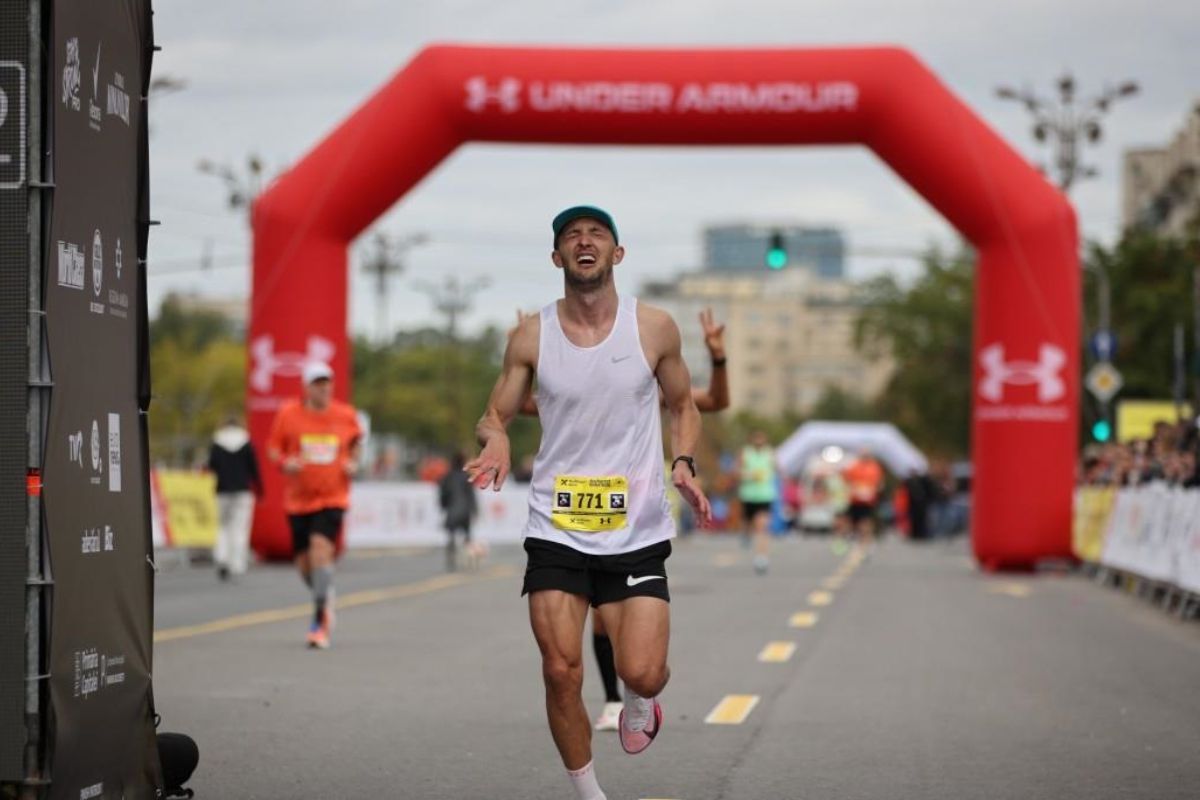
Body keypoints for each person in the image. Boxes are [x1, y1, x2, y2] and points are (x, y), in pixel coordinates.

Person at [467, 205, 712, 800]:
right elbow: (494, 414)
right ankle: (589, 793)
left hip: (636, 526)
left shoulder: (653, 328)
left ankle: (638, 698)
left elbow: (683, 406)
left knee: (643, 671)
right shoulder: (533, 336)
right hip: (557, 525)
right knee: (560, 670)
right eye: (572, 236)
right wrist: (495, 438)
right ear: (557, 257)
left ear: (616, 254)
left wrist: (683, 461)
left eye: (596, 234)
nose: (584, 241)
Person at [513, 306, 730, 732]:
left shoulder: (646, 389)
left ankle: (635, 687)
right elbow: (519, 403)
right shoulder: (567, 391)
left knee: (627, 639)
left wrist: (718, 357)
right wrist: (523, 355)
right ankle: (615, 697)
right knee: (592, 621)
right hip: (574, 517)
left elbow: (712, 402)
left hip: (631, 517)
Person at [266, 361, 362, 650]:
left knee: (321, 549)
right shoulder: (288, 413)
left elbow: (356, 444)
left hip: (333, 497)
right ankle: (324, 594)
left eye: (327, 383)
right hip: (298, 500)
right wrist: (286, 462)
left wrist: (353, 462)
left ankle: (319, 621)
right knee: (303, 564)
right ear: (306, 387)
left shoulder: (345, 415)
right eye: (318, 384)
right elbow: (273, 449)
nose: (324, 389)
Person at [206, 416, 263, 581]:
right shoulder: (246, 441)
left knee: (223, 527)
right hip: (242, 491)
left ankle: (222, 557)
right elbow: (254, 468)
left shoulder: (217, 441)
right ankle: (237, 564)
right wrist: (260, 490)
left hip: (222, 490)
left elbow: (212, 465)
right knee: (239, 528)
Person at [737, 430, 778, 574]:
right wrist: (750, 475)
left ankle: (761, 557)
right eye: (757, 438)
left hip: (765, 496)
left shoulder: (770, 453)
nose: (759, 441)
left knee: (762, 527)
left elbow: (778, 469)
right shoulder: (745, 453)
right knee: (747, 524)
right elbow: (737, 472)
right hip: (748, 495)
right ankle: (746, 535)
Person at [438, 451, 479, 571]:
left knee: (451, 536)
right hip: (465, 511)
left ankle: (451, 558)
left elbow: (443, 494)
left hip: (452, 510)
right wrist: (474, 509)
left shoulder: (447, 477)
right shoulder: (466, 477)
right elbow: (471, 495)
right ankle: (470, 559)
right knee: (467, 536)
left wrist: (444, 506)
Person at [842, 448, 884, 544]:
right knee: (850, 519)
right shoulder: (855, 466)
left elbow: (878, 483)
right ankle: (850, 537)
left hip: (868, 500)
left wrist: (872, 491)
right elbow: (847, 478)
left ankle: (865, 540)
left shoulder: (874, 467)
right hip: (855, 499)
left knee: (865, 520)